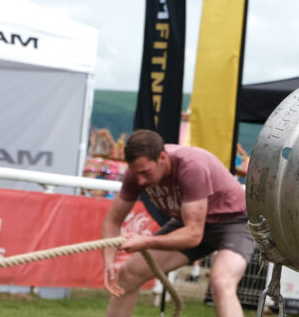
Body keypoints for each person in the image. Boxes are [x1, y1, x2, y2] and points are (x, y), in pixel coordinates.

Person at [100, 130, 256, 317]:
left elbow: (193, 235)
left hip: (235, 223)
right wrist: (109, 261)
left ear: (162, 157)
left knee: (221, 283)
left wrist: (145, 241)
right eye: (136, 173)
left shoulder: (191, 166)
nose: (140, 180)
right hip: (190, 223)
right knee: (128, 274)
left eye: (146, 172)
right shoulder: (136, 174)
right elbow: (112, 220)